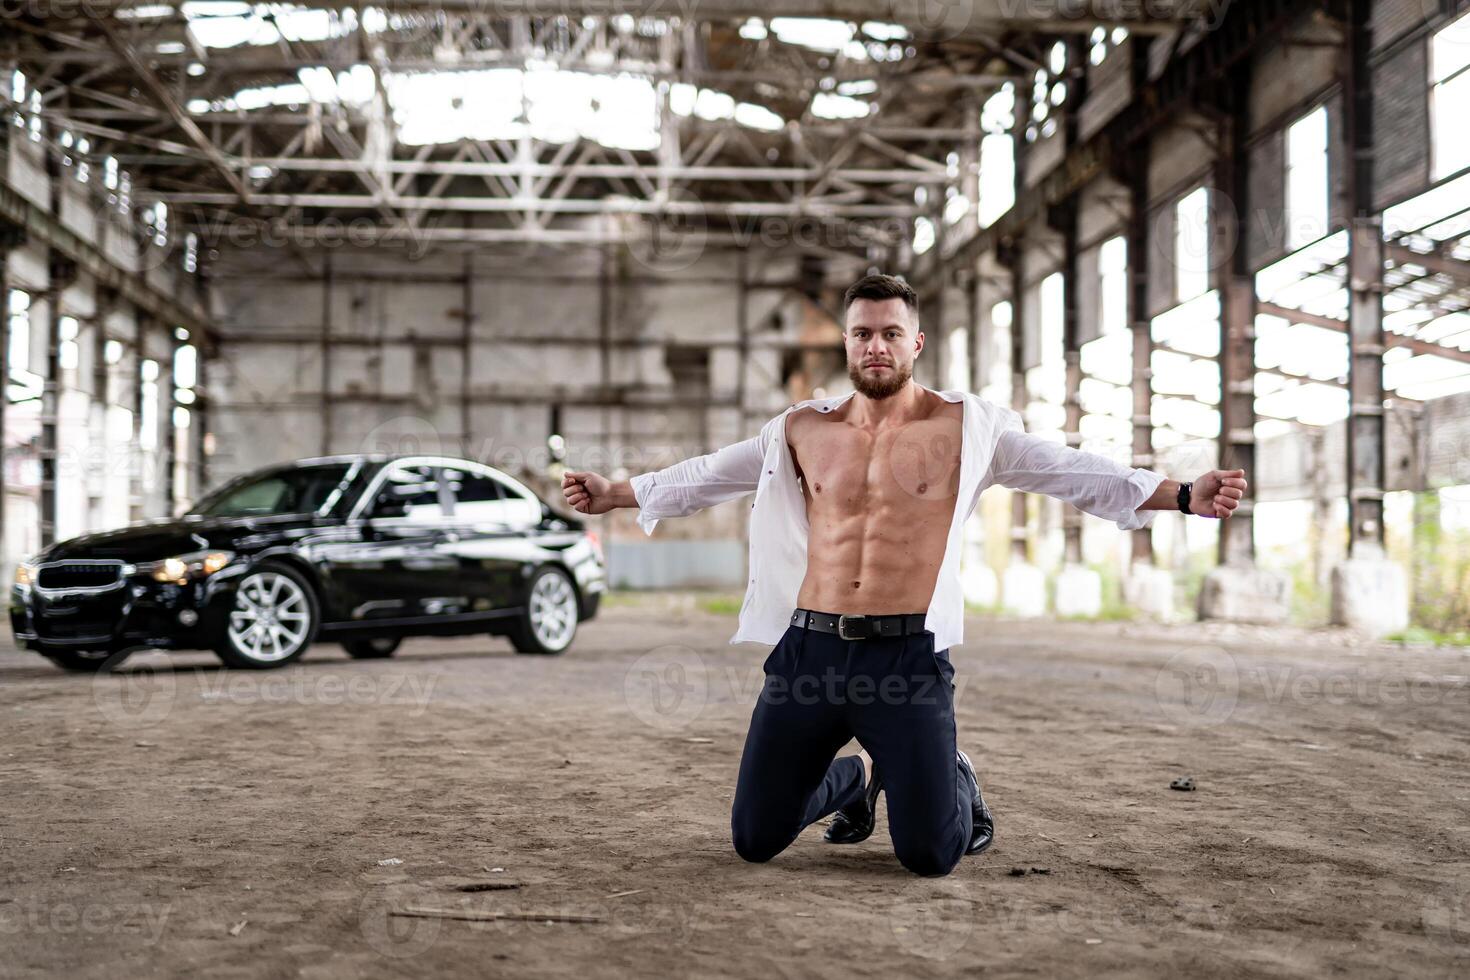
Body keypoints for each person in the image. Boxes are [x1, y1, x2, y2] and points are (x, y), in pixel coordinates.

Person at [562, 273, 1247, 877]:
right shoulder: (802, 429)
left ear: (917, 342)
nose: (876, 347)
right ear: (847, 344)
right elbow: (709, 474)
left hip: (906, 658)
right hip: (810, 655)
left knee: (928, 856)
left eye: (892, 333)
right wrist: (618, 492)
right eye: (863, 333)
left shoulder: (965, 429)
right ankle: (852, 779)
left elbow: (1069, 471)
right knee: (754, 838)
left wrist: (1181, 493)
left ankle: (952, 770)